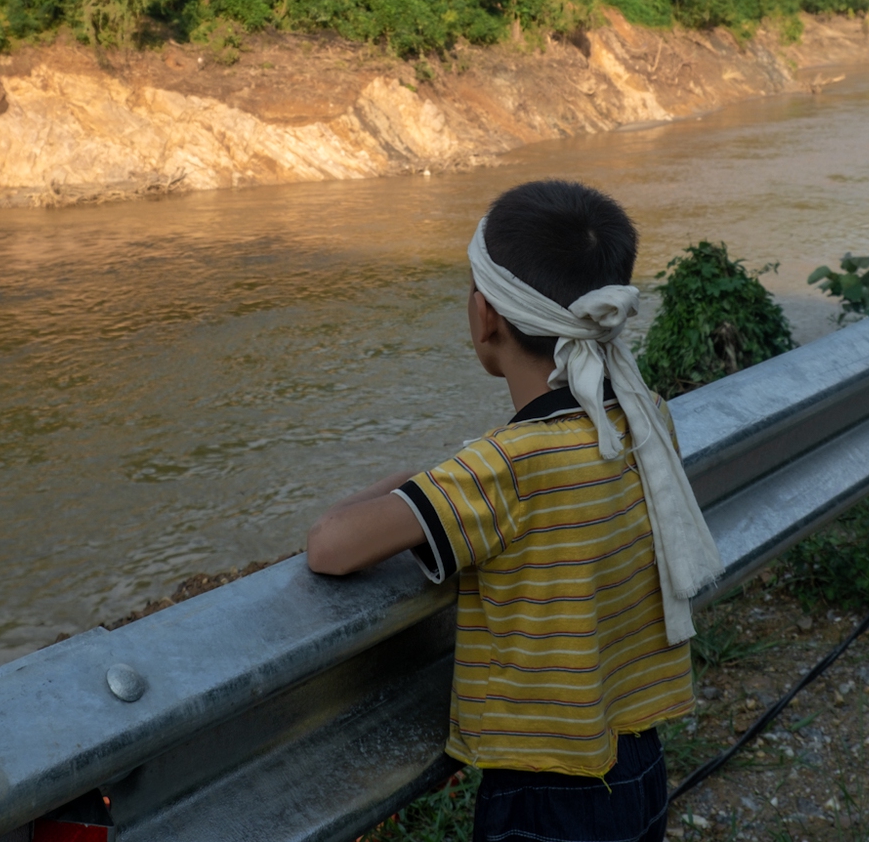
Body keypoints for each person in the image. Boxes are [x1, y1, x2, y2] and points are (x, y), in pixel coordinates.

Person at [306, 179, 723, 842]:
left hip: (546, 793)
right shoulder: (646, 419)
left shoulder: (505, 468)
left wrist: (420, 478)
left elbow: (329, 544)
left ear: (486, 315)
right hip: (640, 761)